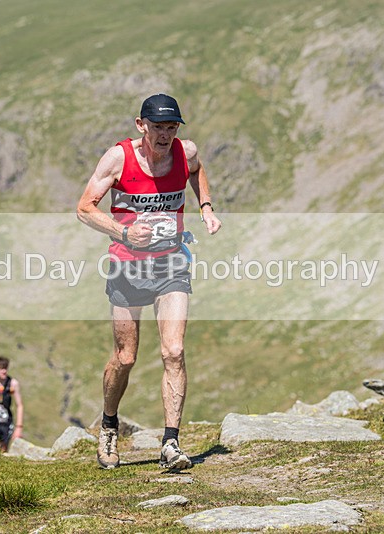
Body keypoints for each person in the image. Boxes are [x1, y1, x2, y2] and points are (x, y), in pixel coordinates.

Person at [76, 94, 222, 470]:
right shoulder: (118, 158)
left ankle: (170, 443)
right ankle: (109, 425)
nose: (165, 135)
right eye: (158, 127)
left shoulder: (185, 152)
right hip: (127, 266)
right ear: (141, 125)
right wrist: (123, 233)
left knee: (174, 351)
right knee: (126, 357)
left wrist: (206, 207)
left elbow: (197, 170)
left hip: (171, 264)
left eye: (171, 127)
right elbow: (85, 208)